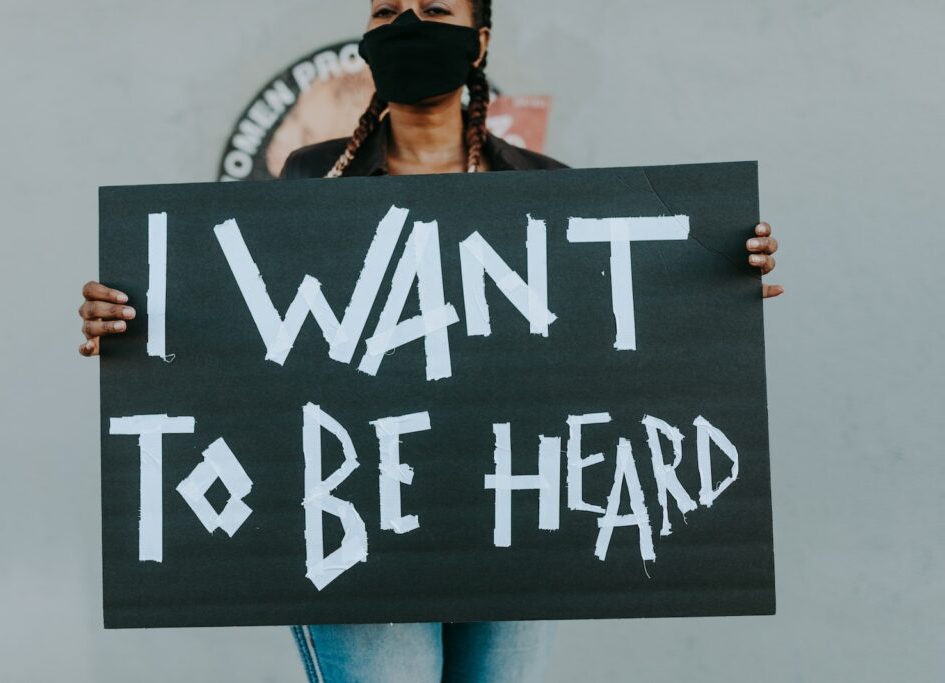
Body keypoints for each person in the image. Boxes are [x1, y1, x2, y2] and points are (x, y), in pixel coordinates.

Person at [78, 1, 783, 681]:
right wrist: (135, 322)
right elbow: (246, 332)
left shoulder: (549, 190)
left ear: (478, 43)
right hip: (354, 526)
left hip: (515, 529)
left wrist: (715, 284)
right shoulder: (308, 181)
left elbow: (606, 348)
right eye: (386, 12)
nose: (407, 24)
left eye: (437, 11)